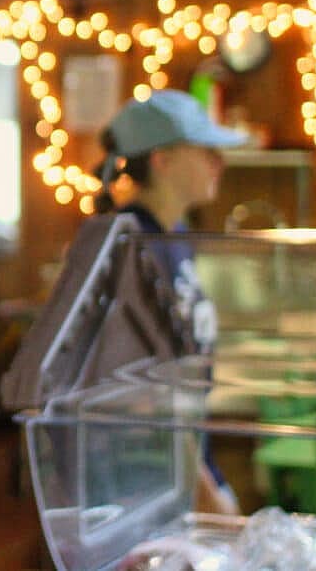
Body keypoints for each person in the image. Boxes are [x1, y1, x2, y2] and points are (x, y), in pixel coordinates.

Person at [95, 87, 246, 515]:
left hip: (183, 465)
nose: (219, 162)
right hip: (142, 480)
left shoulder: (173, 234)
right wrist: (206, 492)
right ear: (162, 160)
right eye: (205, 151)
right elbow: (147, 391)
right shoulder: (130, 244)